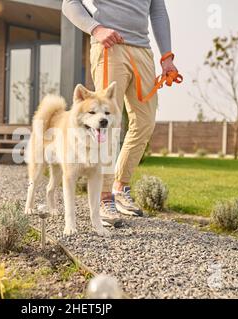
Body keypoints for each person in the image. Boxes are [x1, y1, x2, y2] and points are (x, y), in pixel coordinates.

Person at [62, 0, 178, 226]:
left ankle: (120, 185)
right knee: (107, 125)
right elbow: (69, 3)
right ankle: (104, 198)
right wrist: (96, 28)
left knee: (145, 122)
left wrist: (167, 56)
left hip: (143, 50)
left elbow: (158, 11)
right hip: (109, 46)